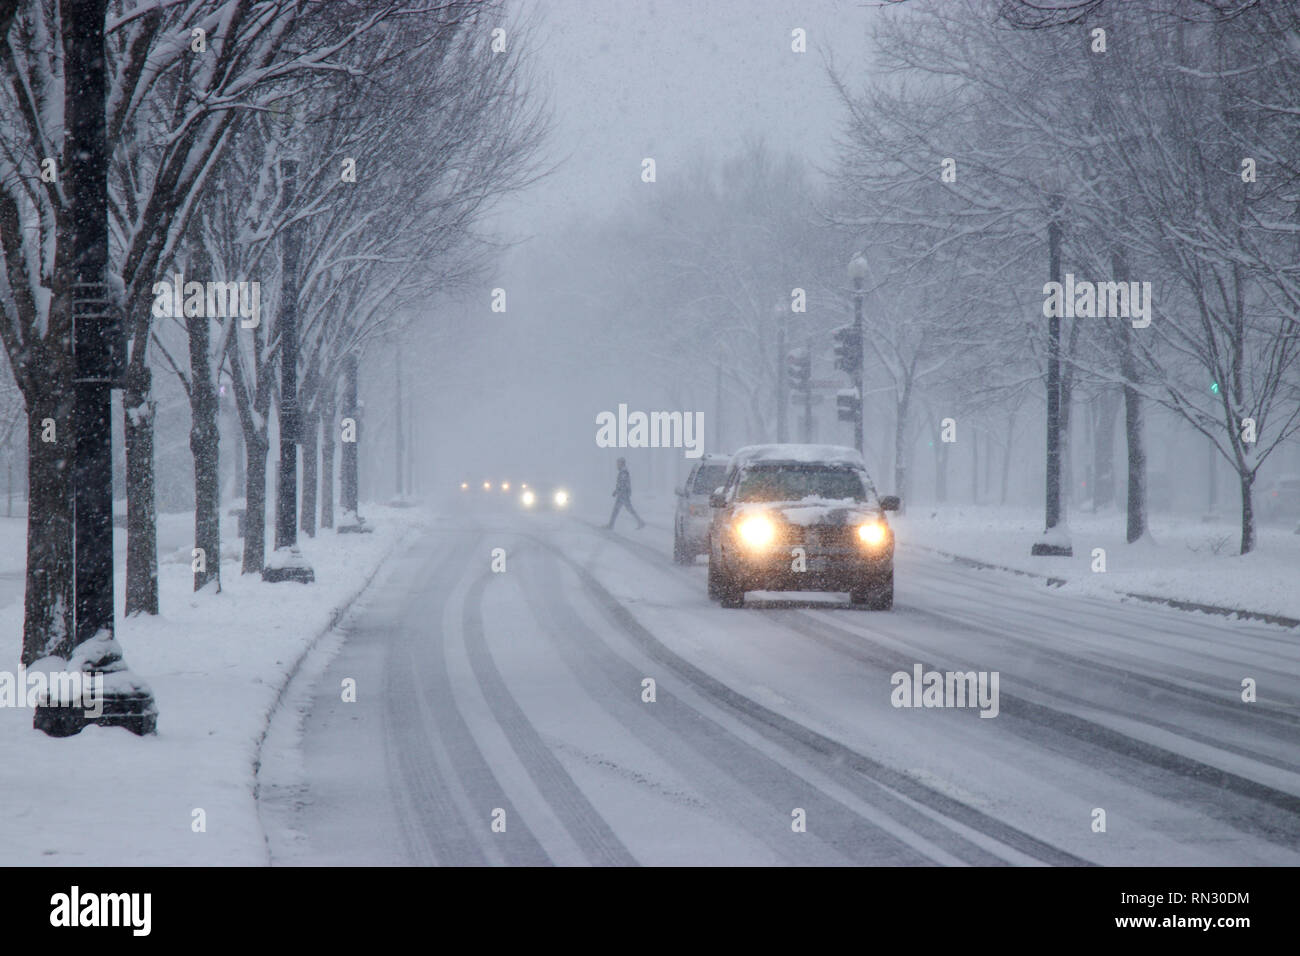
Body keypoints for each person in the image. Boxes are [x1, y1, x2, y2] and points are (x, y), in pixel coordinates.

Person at [606, 456, 645, 530]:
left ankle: (640, 522)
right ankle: (611, 525)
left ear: (622, 464)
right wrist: (616, 491)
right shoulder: (623, 472)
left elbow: (622, 484)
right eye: (617, 463)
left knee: (625, 510)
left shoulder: (623, 472)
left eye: (618, 463)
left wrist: (617, 491)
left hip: (623, 495)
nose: (617, 465)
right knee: (618, 510)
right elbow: (621, 484)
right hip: (622, 495)